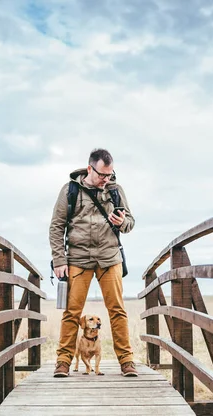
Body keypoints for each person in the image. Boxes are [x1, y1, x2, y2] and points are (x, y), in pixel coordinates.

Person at [49, 148, 137, 377]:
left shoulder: (116, 190)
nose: (105, 179)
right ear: (90, 169)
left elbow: (130, 223)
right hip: (78, 258)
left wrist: (122, 223)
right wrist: (59, 259)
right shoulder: (70, 190)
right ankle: (64, 361)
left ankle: (126, 361)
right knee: (71, 312)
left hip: (109, 258)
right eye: (101, 175)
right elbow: (57, 227)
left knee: (117, 310)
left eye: (109, 175)